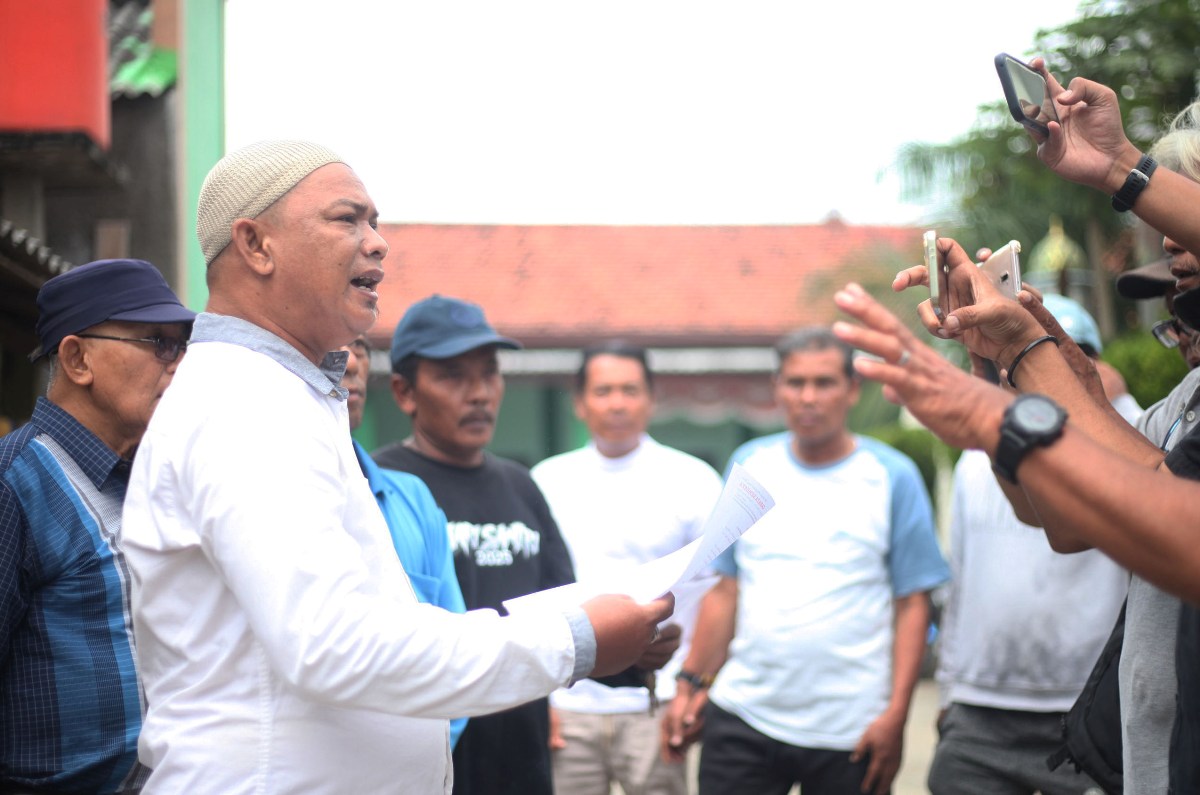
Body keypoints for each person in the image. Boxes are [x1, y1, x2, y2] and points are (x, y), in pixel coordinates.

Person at [121, 140, 672, 794]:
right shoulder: (247, 404)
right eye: (347, 219)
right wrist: (572, 641)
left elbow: (377, 627)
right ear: (256, 245)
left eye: (375, 222)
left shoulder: (289, 397)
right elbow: (333, 644)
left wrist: (597, 636)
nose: (378, 243)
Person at [888, 86, 1200, 794]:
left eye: (1179, 201)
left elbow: (1162, 504)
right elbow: (1064, 521)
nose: (1166, 239)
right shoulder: (1186, 400)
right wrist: (1004, 363)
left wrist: (1019, 367)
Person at [663, 327, 950, 795]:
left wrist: (896, 716)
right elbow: (727, 589)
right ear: (777, 388)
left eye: (824, 383)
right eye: (796, 383)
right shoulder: (751, 466)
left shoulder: (891, 476)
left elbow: (912, 603)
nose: (808, 397)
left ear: (852, 389)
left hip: (851, 727)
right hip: (744, 715)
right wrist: (690, 684)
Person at [0, 258, 194, 793]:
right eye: (158, 344)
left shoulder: (151, 477)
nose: (178, 365)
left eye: (182, 346)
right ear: (77, 359)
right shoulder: (14, 483)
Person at [928, 294, 1134, 795]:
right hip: (982, 709)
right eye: (1011, 357)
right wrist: (949, 689)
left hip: (1088, 704)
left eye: (1048, 355)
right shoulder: (977, 457)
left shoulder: (1131, 443)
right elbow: (963, 578)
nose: (1028, 374)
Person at [530, 341, 723, 795]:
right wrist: (539, 699)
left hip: (657, 702)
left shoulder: (693, 480)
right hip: (568, 704)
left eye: (630, 390)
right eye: (603, 391)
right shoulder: (545, 481)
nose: (617, 403)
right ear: (580, 403)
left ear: (652, 399)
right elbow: (533, 593)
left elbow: (718, 592)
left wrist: (691, 687)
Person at [340, 333, 469, 747]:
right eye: (332, 343)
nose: (351, 363)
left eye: (360, 346)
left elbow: (455, 646)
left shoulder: (412, 498)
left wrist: (424, 753)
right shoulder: (266, 493)